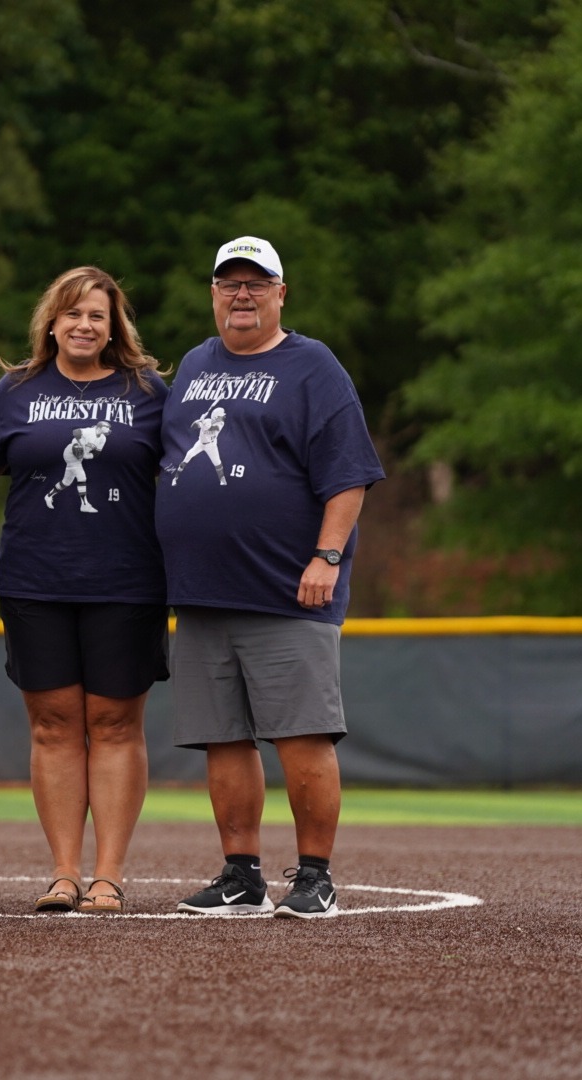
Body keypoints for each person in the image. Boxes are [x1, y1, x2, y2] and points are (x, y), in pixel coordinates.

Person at [158, 236, 384, 919]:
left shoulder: (312, 366)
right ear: (214, 292)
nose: (243, 294)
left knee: (302, 736)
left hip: (287, 590)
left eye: (258, 282)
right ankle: (240, 874)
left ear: (281, 293)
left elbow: (349, 476)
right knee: (223, 739)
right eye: (231, 282)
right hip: (201, 591)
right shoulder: (195, 364)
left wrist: (329, 556)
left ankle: (315, 875)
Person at [0, 266, 169, 915]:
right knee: (54, 728)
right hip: (36, 581)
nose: (84, 325)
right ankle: (64, 872)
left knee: (115, 725)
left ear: (114, 327)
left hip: (127, 582)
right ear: (50, 322)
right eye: (73, 314)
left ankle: (108, 874)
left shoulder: (148, 390)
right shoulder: (15, 390)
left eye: (97, 316)